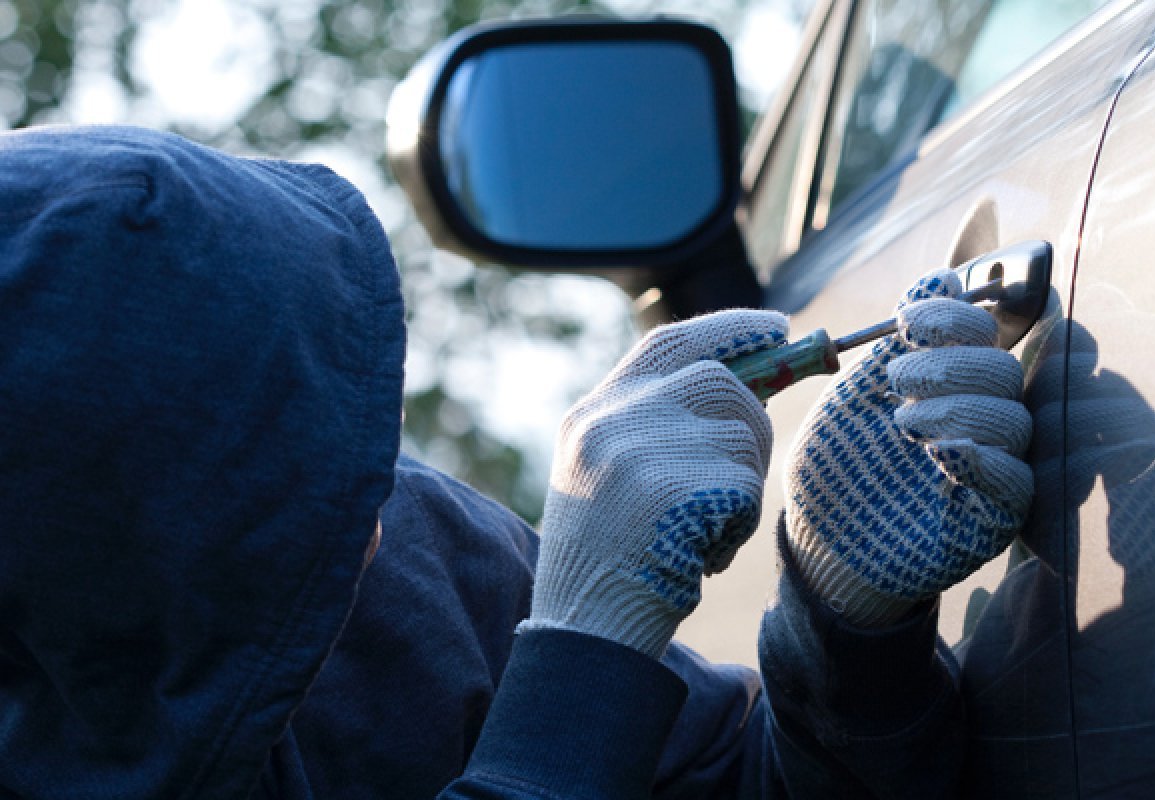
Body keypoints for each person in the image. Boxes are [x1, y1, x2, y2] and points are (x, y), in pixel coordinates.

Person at [0, 125, 1030, 799]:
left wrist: (845, 629)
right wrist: (579, 662)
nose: (359, 503)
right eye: (250, 469)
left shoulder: (396, 565)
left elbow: (747, 788)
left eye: (322, 408)